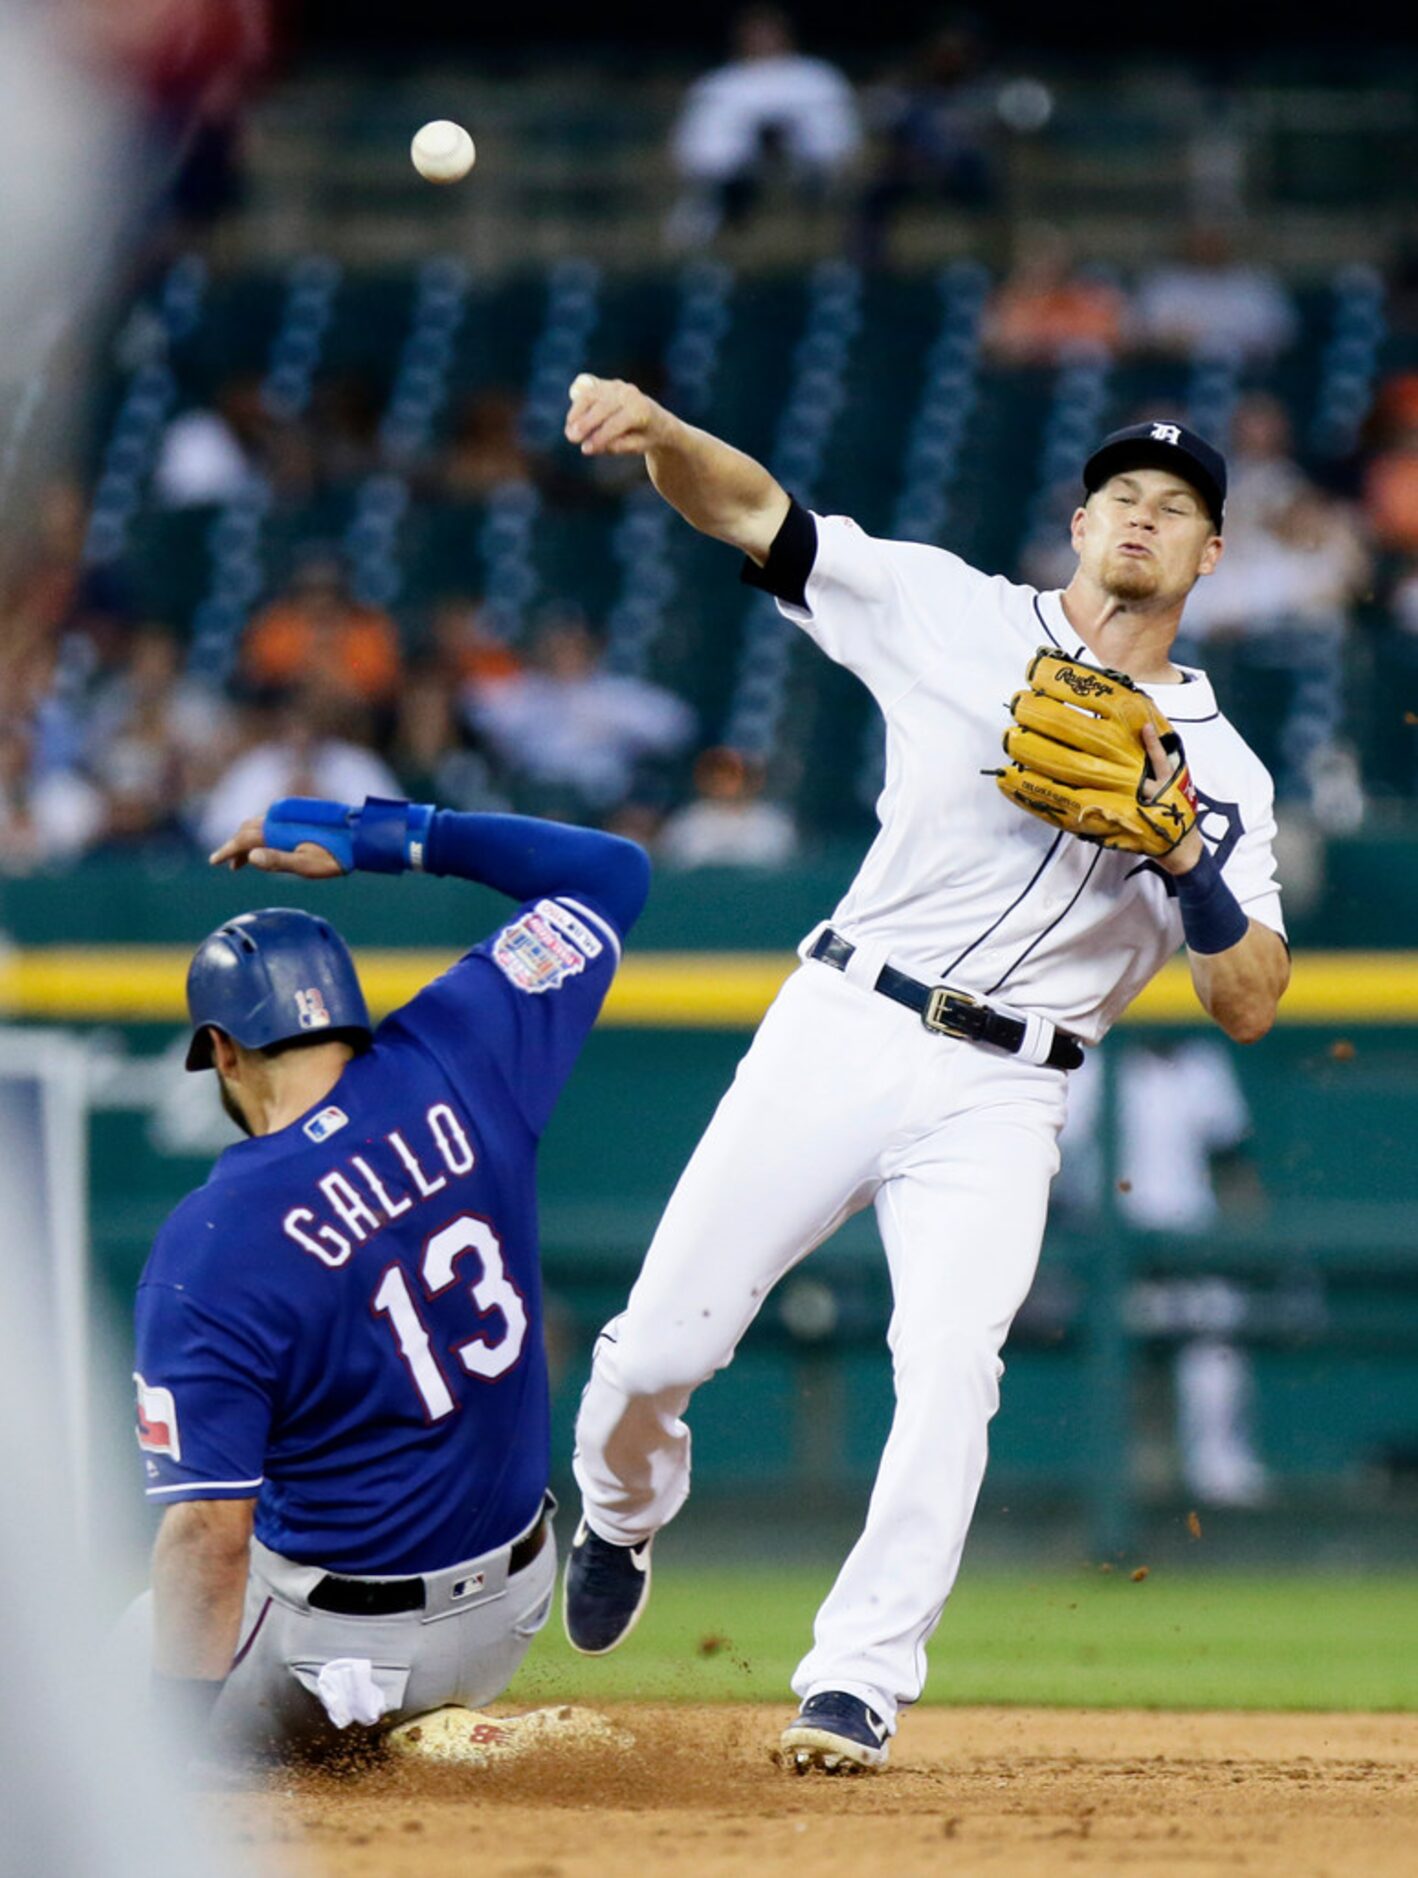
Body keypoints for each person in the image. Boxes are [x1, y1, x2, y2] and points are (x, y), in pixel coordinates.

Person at [559, 374, 1289, 1772]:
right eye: (1123, 495)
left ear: (1210, 557)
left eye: (1178, 507)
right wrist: (660, 432)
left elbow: (1248, 997)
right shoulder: (952, 612)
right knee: (660, 1348)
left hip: (1010, 1089)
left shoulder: (1225, 771)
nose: (1145, 515)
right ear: (1076, 521)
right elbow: (761, 514)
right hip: (844, 1019)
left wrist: (1183, 856)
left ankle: (856, 1680)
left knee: (951, 1363)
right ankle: (618, 1504)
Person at [130, 792, 650, 1754]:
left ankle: (372, 1733)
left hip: (339, 1644)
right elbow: (614, 871)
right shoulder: (463, 1049)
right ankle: (431, 1736)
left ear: (220, 1050)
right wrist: (389, 837)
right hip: (514, 1601)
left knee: (91, 1707)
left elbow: (209, 1538)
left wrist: (162, 1756)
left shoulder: (211, 1241)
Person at [667, 7, 861, 250]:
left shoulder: (819, 79)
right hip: (733, 186)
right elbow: (694, 151)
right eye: (755, 33)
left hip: (809, 185)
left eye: (770, 32)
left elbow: (842, 141)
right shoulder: (717, 86)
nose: (763, 40)